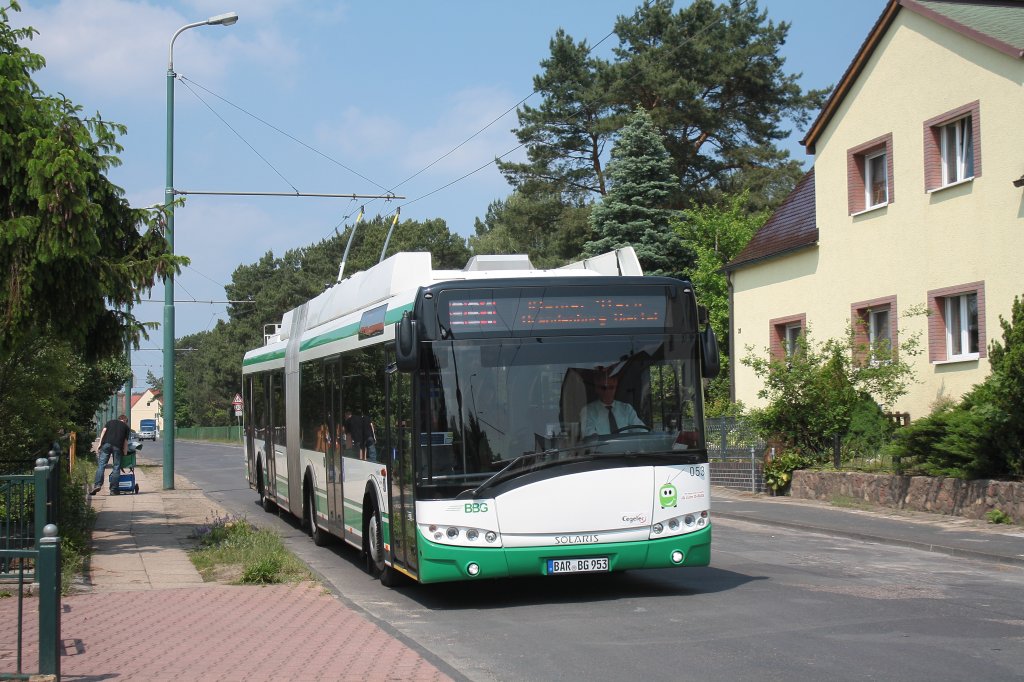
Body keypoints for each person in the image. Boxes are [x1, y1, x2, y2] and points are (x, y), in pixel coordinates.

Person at [579, 369, 645, 437]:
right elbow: (589, 434)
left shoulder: (627, 409)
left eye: (611, 387)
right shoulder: (588, 411)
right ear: (597, 388)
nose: (607, 392)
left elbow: (641, 430)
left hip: (627, 447)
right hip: (601, 447)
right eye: (603, 388)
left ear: (616, 388)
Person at [92, 414, 130, 495]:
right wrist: (125, 453)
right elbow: (125, 442)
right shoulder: (126, 427)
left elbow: (103, 431)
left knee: (101, 465)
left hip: (106, 444)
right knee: (116, 467)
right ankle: (113, 490)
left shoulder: (110, 422)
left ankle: (97, 485)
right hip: (117, 447)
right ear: (125, 421)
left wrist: (100, 443)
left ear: (119, 419)